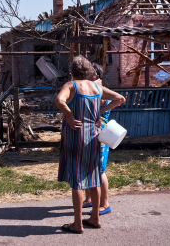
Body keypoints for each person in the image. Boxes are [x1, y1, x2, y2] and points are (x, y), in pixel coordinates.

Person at [55, 56, 125, 234]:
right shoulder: (97, 87)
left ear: (72, 71)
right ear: (88, 71)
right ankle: (95, 218)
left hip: (74, 136)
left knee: (77, 181)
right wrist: (100, 111)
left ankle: (77, 224)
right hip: (93, 136)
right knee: (93, 177)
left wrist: (69, 116)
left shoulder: (70, 86)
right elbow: (120, 99)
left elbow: (58, 100)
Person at [83, 63, 112, 215]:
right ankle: (89, 199)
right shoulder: (89, 89)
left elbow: (120, 99)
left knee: (99, 170)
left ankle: (105, 204)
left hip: (100, 134)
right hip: (90, 133)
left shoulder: (99, 90)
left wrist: (101, 111)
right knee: (88, 167)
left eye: (87, 73)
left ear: (96, 76)